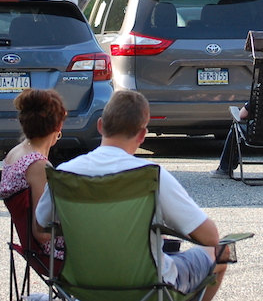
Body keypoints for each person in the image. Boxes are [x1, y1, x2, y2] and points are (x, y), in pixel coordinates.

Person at [36, 90, 229, 300]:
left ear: (100, 126)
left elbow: (41, 228)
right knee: (221, 252)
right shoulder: (150, 176)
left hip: (81, 287)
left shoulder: (64, 173)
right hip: (149, 288)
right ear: (141, 135)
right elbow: (210, 237)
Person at [0, 88, 67, 260]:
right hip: (53, 256)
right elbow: (42, 232)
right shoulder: (38, 166)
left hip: (32, 250)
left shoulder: (14, 154)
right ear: (58, 126)